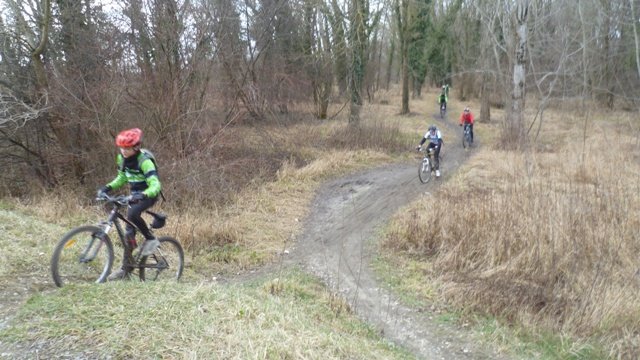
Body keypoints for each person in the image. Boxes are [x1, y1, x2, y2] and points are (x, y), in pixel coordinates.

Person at [97, 128, 162, 280]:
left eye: (127, 148)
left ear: (136, 147)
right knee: (128, 234)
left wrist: (144, 193)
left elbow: (155, 185)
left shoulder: (145, 161)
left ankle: (151, 239)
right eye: (121, 148)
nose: (124, 151)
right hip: (134, 195)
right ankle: (126, 270)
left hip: (148, 195)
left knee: (132, 214)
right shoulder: (122, 159)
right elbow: (121, 178)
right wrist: (107, 187)